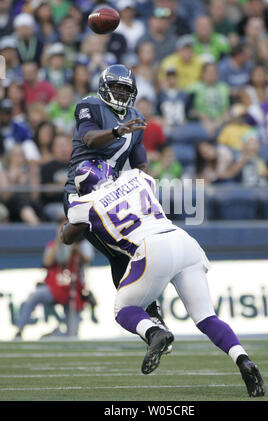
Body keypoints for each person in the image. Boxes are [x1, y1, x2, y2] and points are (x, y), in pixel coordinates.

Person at [61, 159, 265, 398]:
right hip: (183, 241)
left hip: (151, 248)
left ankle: (153, 332)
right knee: (206, 317)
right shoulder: (136, 177)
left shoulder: (84, 203)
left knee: (123, 308)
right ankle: (244, 360)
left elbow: (67, 236)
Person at [63, 64, 171, 337]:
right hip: (81, 191)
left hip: (113, 193)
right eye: (117, 88)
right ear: (104, 87)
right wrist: (117, 131)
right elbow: (89, 138)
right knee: (118, 252)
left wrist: (144, 189)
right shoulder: (89, 106)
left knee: (139, 248)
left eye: (126, 89)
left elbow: (140, 164)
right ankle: (146, 317)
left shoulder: (136, 116)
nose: (121, 93)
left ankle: (151, 314)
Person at [15, 222, 94, 339]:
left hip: (73, 289)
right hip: (54, 286)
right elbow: (47, 262)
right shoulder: (52, 245)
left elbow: (87, 259)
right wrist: (58, 241)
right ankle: (20, 329)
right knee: (34, 296)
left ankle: (55, 334)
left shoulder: (82, 244)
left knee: (72, 334)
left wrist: (76, 248)